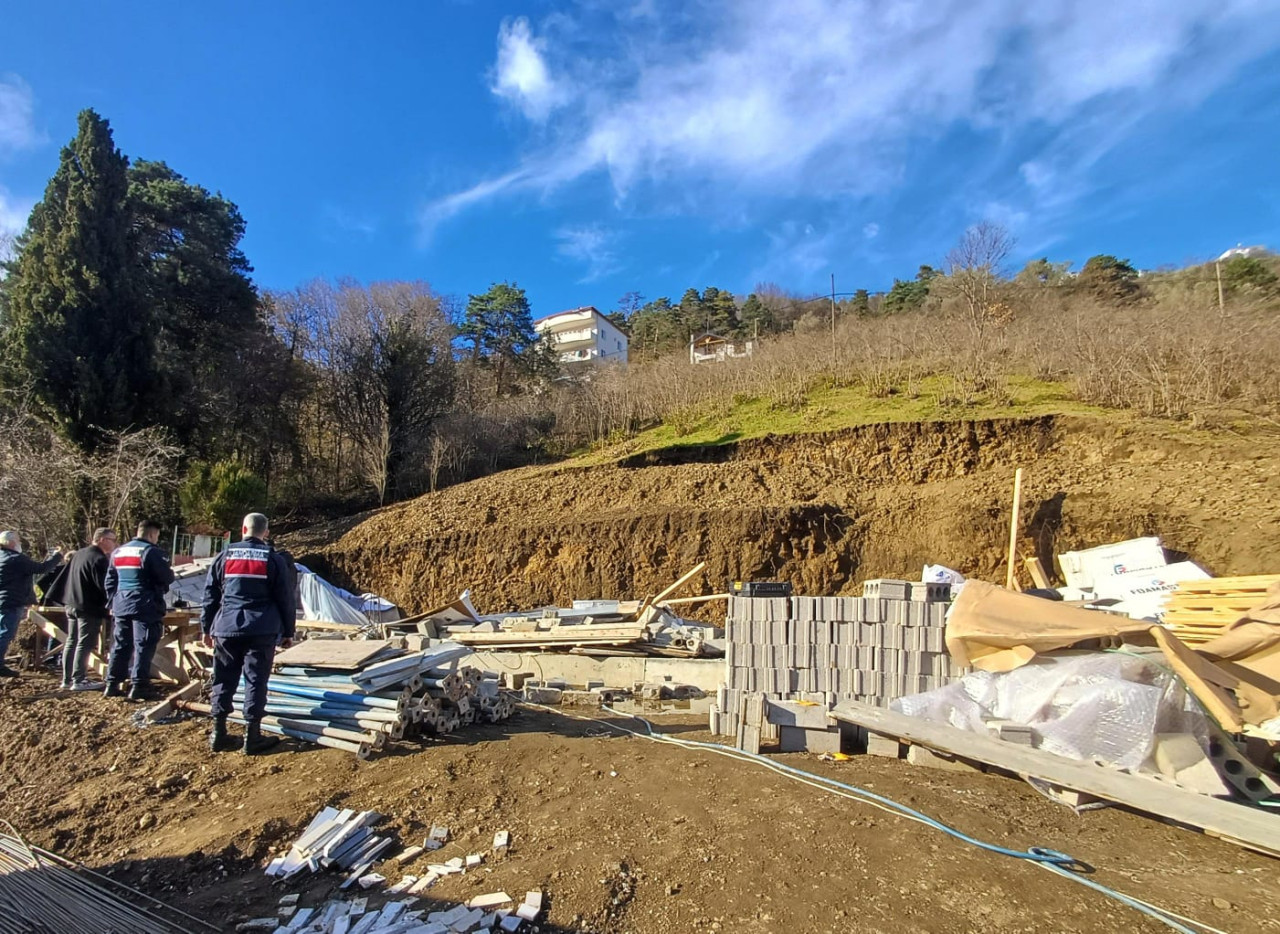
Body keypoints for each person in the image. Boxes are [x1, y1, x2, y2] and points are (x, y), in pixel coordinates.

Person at [202, 513, 296, 754]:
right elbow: (285, 598)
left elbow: (210, 595)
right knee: (256, 679)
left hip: (226, 627)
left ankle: (218, 732)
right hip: (261, 627)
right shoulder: (272, 559)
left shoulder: (224, 556)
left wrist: (206, 628)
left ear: (243, 528)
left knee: (223, 678)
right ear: (266, 532)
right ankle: (251, 736)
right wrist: (288, 631)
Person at [103, 520, 175, 701]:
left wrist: (113, 601)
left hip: (121, 603)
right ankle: (139, 685)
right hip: (145, 604)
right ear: (152, 534)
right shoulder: (151, 551)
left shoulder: (118, 552)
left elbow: (110, 580)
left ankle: (112, 683)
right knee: (144, 644)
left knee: (120, 644)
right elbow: (166, 577)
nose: (157, 539)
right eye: (157, 536)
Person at [0, 531, 65, 677]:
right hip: (11, 601)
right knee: (5, 633)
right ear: (10, 543)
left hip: (4, 600)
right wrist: (57, 556)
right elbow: (40, 569)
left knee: (3, 632)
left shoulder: (3, 557)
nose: (19, 543)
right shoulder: (16, 559)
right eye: (17, 540)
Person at [61, 528, 118, 691]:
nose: (114, 543)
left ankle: (67, 679)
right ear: (101, 539)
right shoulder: (99, 559)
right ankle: (79, 679)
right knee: (85, 642)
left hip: (71, 602)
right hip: (88, 607)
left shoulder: (79, 554)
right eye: (112, 539)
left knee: (71, 641)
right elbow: (104, 586)